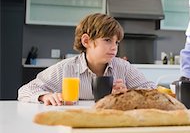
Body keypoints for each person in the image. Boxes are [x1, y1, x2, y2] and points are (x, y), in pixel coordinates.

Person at [18, 13, 156, 105]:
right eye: (107, 40)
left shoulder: (123, 67)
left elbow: (152, 90)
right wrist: (45, 96)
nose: (114, 47)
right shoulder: (66, 68)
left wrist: (129, 94)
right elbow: (25, 90)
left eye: (116, 42)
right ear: (86, 41)